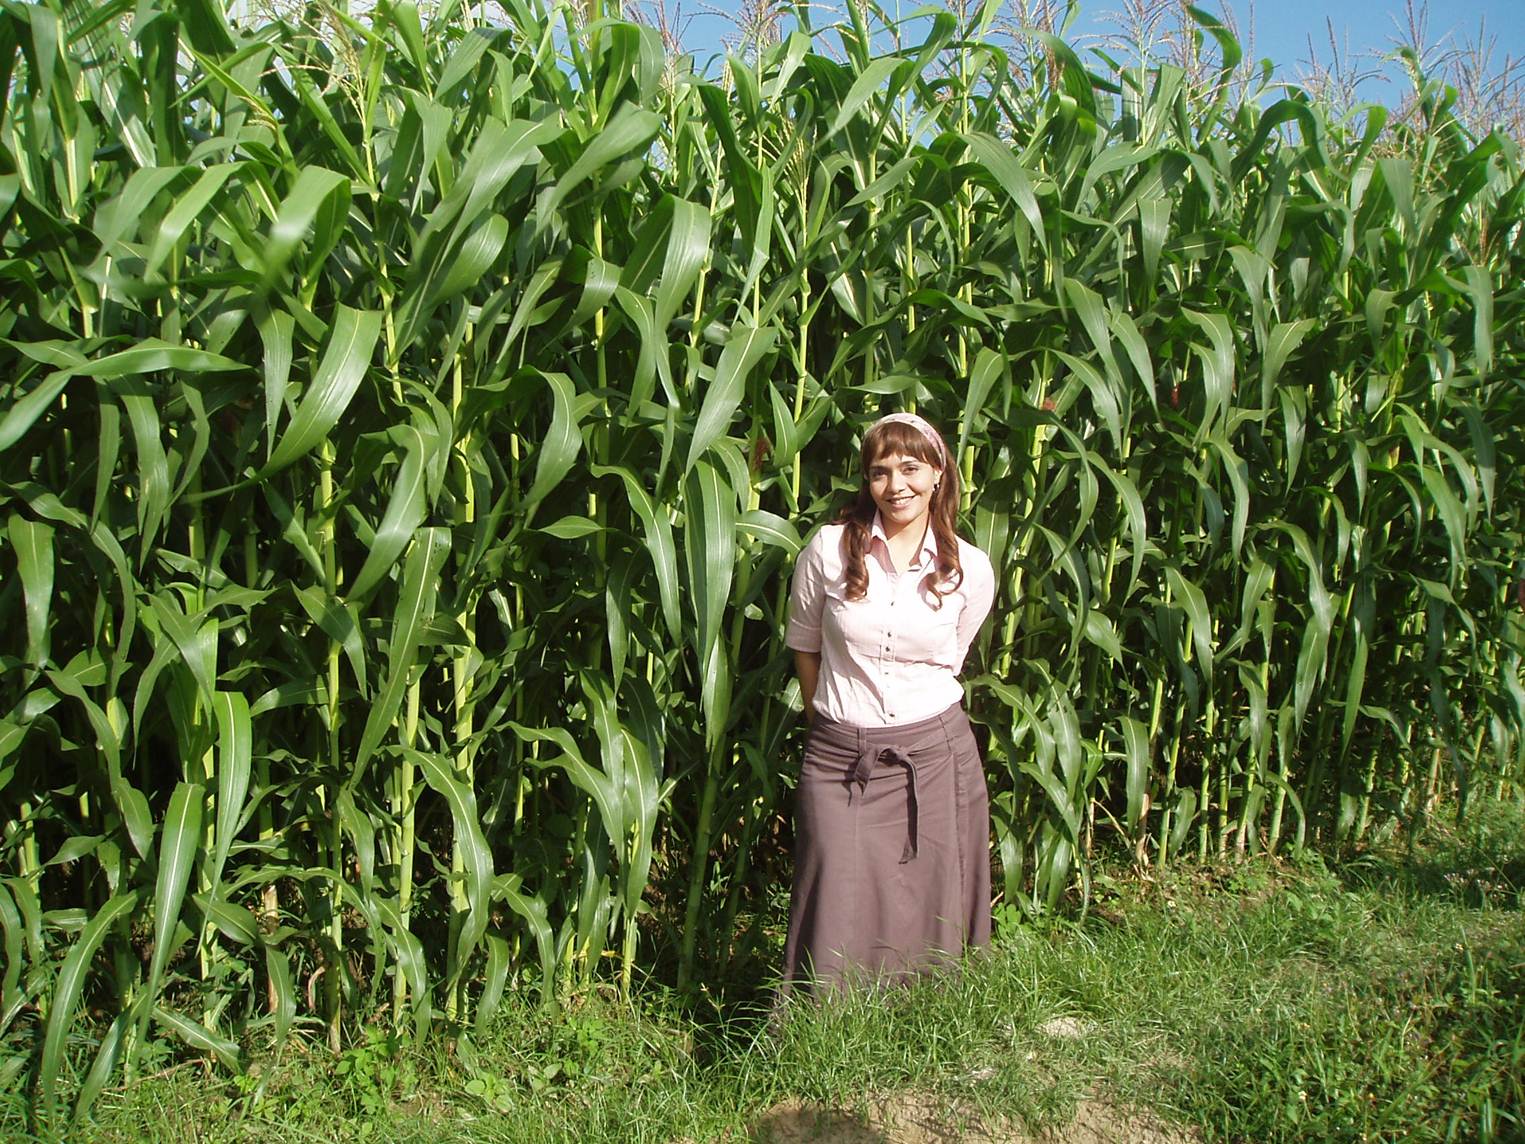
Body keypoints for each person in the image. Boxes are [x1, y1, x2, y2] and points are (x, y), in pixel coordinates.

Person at [781, 412, 996, 996]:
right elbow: (803, 643)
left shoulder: (970, 569)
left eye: (910, 467)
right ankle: (822, 1029)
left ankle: (926, 1017)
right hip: (840, 756)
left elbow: (951, 657)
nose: (896, 484)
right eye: (880, 472)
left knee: (929, 891)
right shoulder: (827, 550)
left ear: (938, 473)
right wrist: (824, 718)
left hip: (935, 753)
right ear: (866, 481)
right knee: (833, 887)